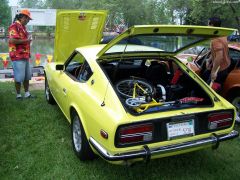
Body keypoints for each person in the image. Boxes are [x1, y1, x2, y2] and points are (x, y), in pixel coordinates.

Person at [8, 9, 35, 99]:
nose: (28, 21)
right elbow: (12, 40)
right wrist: (27, 40)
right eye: (28, 19)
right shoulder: (14, 26)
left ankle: (27, 94)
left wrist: (28, 52)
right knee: (19, 77)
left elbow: (25, 42)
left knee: (27, 76)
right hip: (17, 56)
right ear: (23, 17)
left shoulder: (23, 28)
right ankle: (18, 95)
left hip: (25, 55)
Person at [202, 17, 230, 91]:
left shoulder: (215, 39)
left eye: (208, 24)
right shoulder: (223, 34)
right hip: (225, 66)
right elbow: (216, 51)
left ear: (212, 25)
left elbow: (219, 56)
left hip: (220, 70)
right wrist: (209, 59)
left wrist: (214, 71)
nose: (207, 26)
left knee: (209, 91)